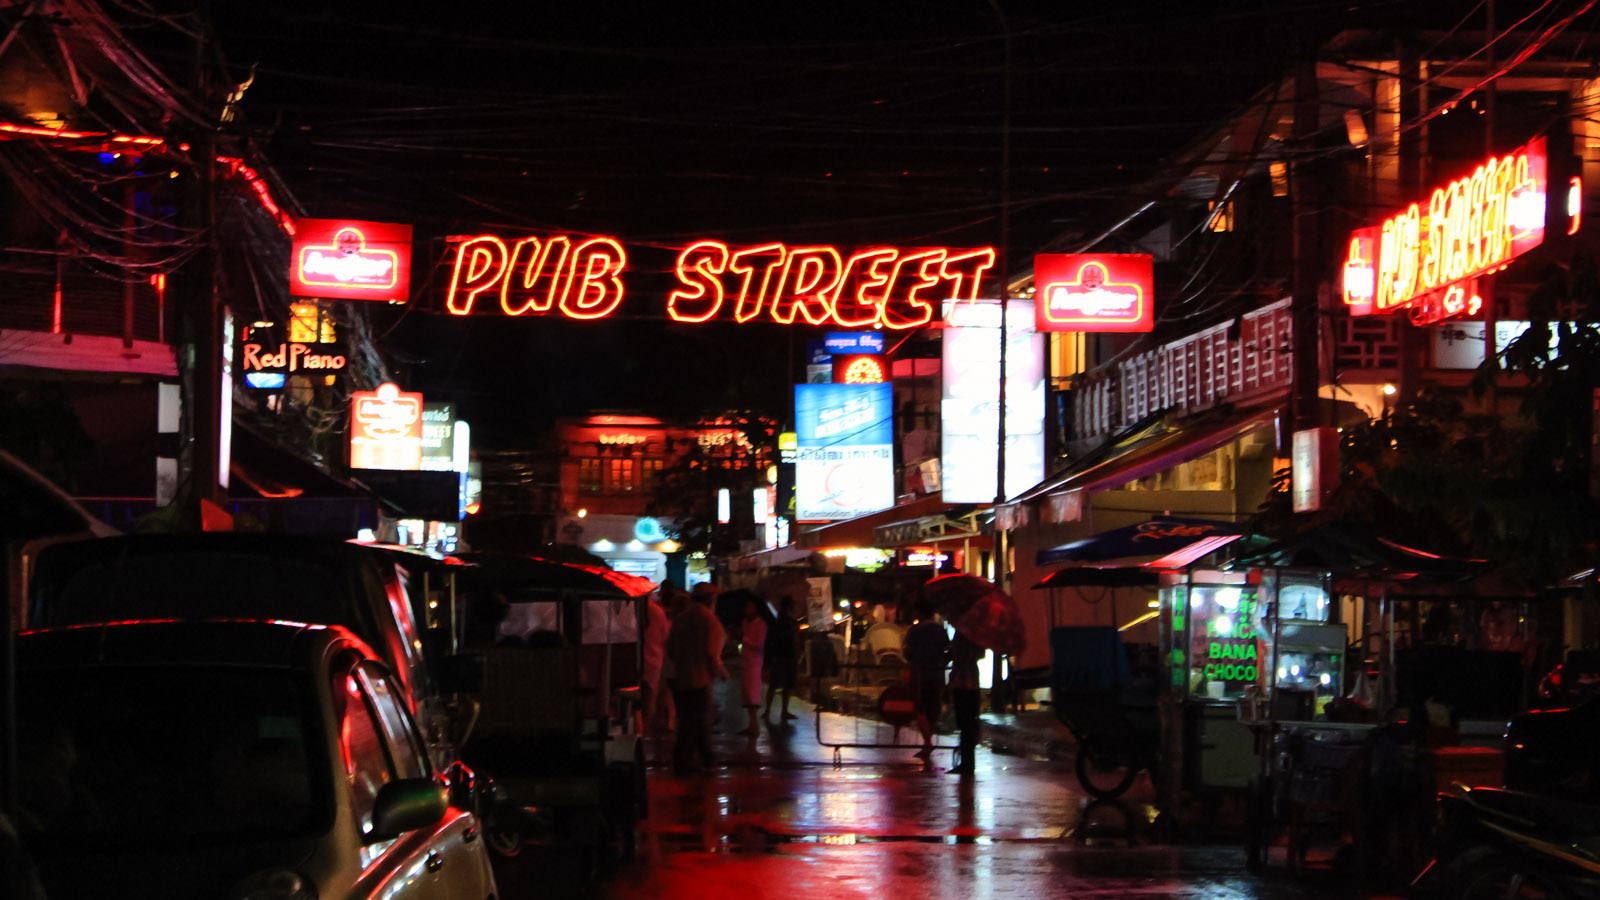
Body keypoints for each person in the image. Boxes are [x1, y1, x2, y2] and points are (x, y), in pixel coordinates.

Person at [666, 585, 726, 774]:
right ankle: (687, 762)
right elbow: (711, 653)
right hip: (700, 678)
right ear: (709, 599)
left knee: (688, 720)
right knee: (696, 721)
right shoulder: (709, 620)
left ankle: (701, 759)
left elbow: (671, 649)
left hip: (682, 677)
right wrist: (719, 671)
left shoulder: (681, 618)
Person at [903, 599, 948, 762]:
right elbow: (947, 650)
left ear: (920, 613)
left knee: (919, 707)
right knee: (933, 707)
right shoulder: (940, 630)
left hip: (920, 673)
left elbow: (908, 651)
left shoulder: (915, 631)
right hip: (937, 673)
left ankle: (927, 742)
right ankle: (928, 741)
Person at [948, 632, 982, 776]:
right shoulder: (977, 636)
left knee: (964, 724)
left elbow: (956, 658)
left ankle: (966, 764)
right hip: (973, 683)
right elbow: (980, 653)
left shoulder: (961, 635)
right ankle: (968, 763)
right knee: (970, 724)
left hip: (962, 684)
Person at [763, 595, 800, 723]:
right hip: (784, 655)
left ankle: (769, 710)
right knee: (783, 684)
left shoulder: (779, 619)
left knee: (777, 685)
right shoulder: (784, 619)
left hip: (781, 655)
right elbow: (789, 637)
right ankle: (780, 711)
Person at [640, 587, 671, 736]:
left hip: (636, 659)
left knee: (636, 700)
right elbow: (665, 637)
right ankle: (647, 729)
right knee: (650, 697)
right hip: (654, 660)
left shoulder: (632, 609)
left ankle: (640, 729)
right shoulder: (658, 612)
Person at [737, 598, 768, 737]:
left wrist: (743, 638)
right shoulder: (745, 622)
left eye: (750, 607)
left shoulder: (761, 625)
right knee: (747, 694)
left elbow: (758, 644)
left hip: (754, 663)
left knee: (752, 694)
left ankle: (754, 726)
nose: (747, 610)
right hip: (745, 661)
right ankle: (751, 725)